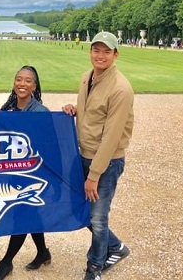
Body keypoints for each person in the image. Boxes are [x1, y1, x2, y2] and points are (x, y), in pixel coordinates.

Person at [62, 31, 134, 280]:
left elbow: (111, 137)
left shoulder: (121, 89)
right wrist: (74, 109)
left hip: (106, 162)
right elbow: (92, 112)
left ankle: (95, 266)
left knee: (98, 217)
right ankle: (115, 247)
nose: (100, 55)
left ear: (116, 54)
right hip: (85, 154)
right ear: (90, 51)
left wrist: (93, 175)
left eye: (106, 51)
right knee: (85, 213)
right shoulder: (87, 77)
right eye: (96, 50)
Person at [0, 65, 52, 280]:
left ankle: (6, 263)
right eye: (18, 79)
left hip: (33, 174)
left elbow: (49, 145)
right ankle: (43, 252)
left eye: (27, 81)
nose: (22, 84)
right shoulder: (8, 108)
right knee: (30, 214)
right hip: (13, 173)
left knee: (22, 215)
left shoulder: (40, 112)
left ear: (34, 86)